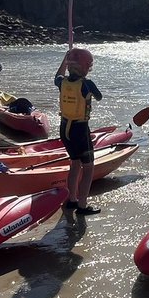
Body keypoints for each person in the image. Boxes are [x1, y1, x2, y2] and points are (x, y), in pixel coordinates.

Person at [54, 47, 104, 215]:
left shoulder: (62, 82)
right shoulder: (87, 84)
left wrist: (65, 58)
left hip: (65, 128)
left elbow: (57, 75)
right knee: (88, 168)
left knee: (75, 164)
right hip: (80, 130)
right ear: (85, 67)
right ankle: (82, 206)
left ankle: (72, 200)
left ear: (69, 65)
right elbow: (99, 97)